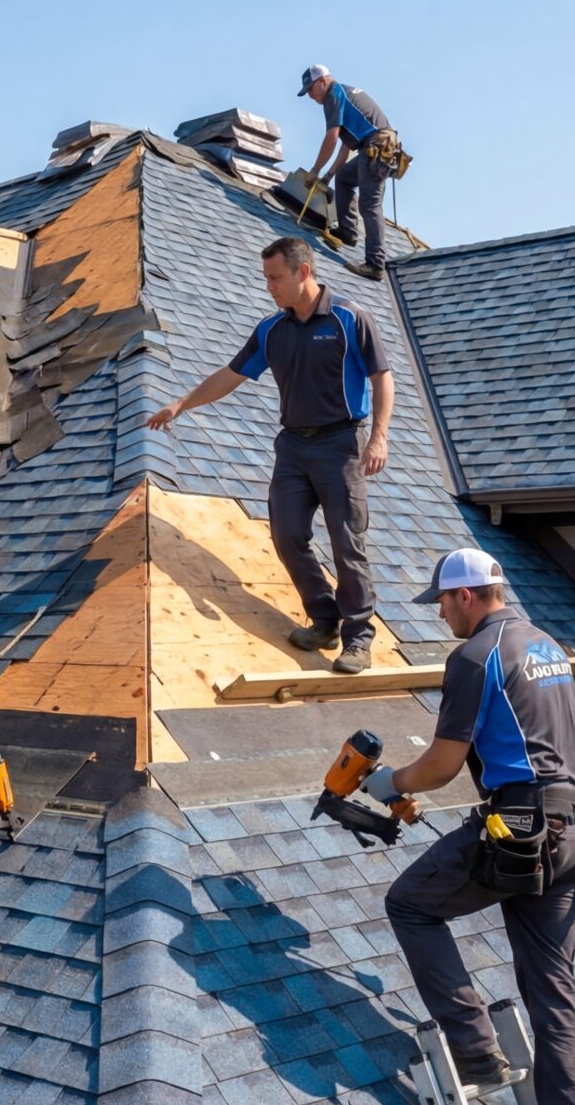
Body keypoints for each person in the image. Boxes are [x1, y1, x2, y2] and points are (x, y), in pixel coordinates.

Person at [369, 548, 575, 1105]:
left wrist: (391, 782)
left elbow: (442, 765)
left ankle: (474, 1051)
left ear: (467, 595)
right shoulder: (544, 643)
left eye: (442, 601)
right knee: (552, 999)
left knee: (410, 903)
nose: (440, 614)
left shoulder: (475, 656)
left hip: (525, 831)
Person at [145, 237, 393, 672]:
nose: (269, 287)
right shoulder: (271, 330)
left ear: (303, 272)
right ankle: (325, 619)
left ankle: (358, 639)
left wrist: (379, 437)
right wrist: (181, 404)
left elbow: (382, 376)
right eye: (266, 279)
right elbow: (231, 374)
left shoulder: (349, 318)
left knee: (346, 542)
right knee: (286, 533)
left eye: (275, 277)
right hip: (294, 446)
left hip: (341, 445)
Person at [298, 64, 396, 280]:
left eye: (311, 90)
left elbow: (332, 137)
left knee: (370, 206)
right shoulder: (342, 94)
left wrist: (315, 170)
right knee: (343, 178)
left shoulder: (333, 95)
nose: (311, 96)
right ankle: (348, 232)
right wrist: (330, 175)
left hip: (376, 148)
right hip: (372, 147)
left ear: (323, 81)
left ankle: (375, 265)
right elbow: (347, 144)